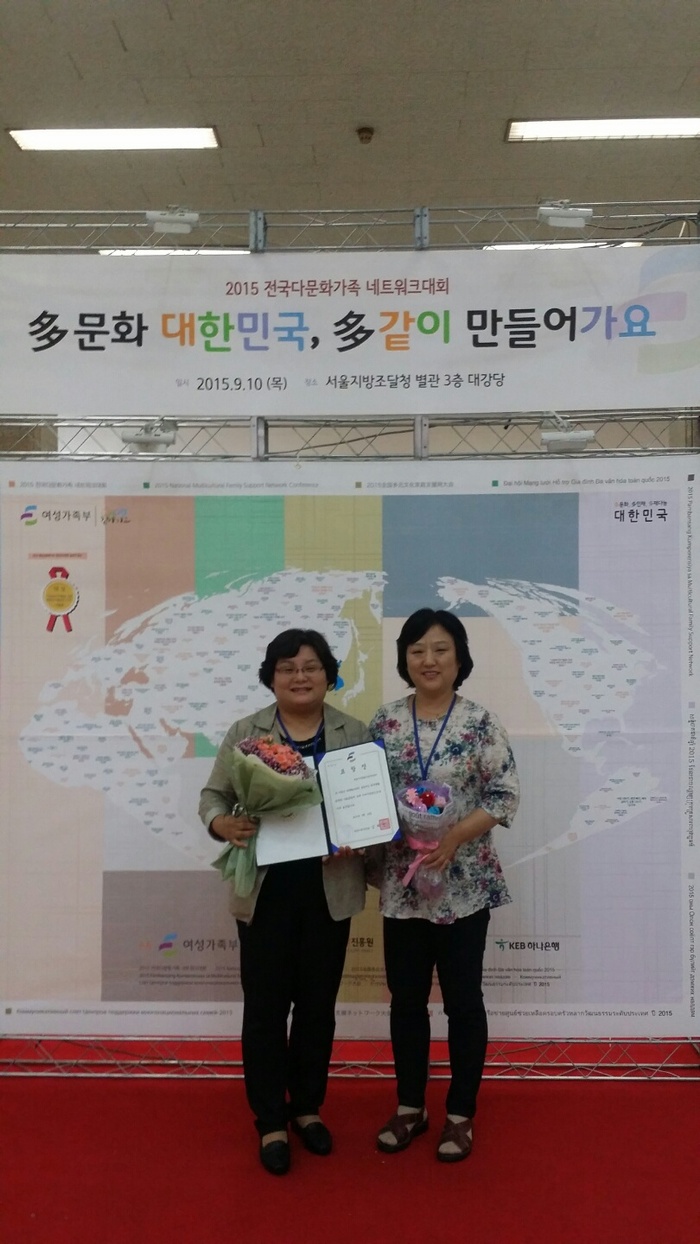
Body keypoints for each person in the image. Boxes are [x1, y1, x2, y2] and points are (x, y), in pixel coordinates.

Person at [199, 628, 370, 1176]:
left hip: (330, 887)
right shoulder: (246, 731)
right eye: (288, 667)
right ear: (271, 677)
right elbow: (213, 797)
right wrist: (222, 824)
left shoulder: (354, 732)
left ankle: (308, 1108)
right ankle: (271, 1119)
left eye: (312, 666)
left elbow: (370, 805)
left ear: (329, 675)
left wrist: (360, 834)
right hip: (266, 890)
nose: (300, 676)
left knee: (318, 1008)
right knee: (266, 1009)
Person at [369, 608, 519, 1163]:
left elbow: (504, 795)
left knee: (463, 1003)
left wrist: (453, 837)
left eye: (440, 650)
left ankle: (460, 1114)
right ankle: (411, 1106)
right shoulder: (385, 723)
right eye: (417, 651)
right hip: (404, 887)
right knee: (406, 1002)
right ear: (405, 659)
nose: (428, 660)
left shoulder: (480, 722)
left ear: (459, 659)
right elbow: (365, 793)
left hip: (463, 886)